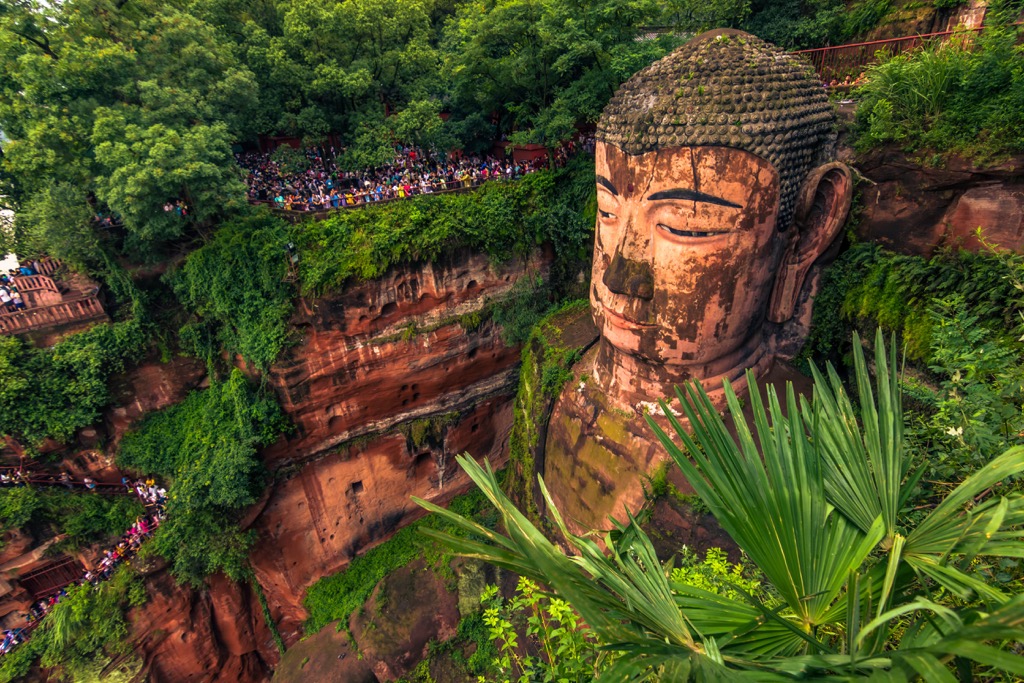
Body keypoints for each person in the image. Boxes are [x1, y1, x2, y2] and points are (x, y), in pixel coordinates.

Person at [542, 28, 854, 531]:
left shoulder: (795, 451)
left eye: (685, 225)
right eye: (606, 210)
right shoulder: (556, 360)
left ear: (811, 225)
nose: (620, 276)